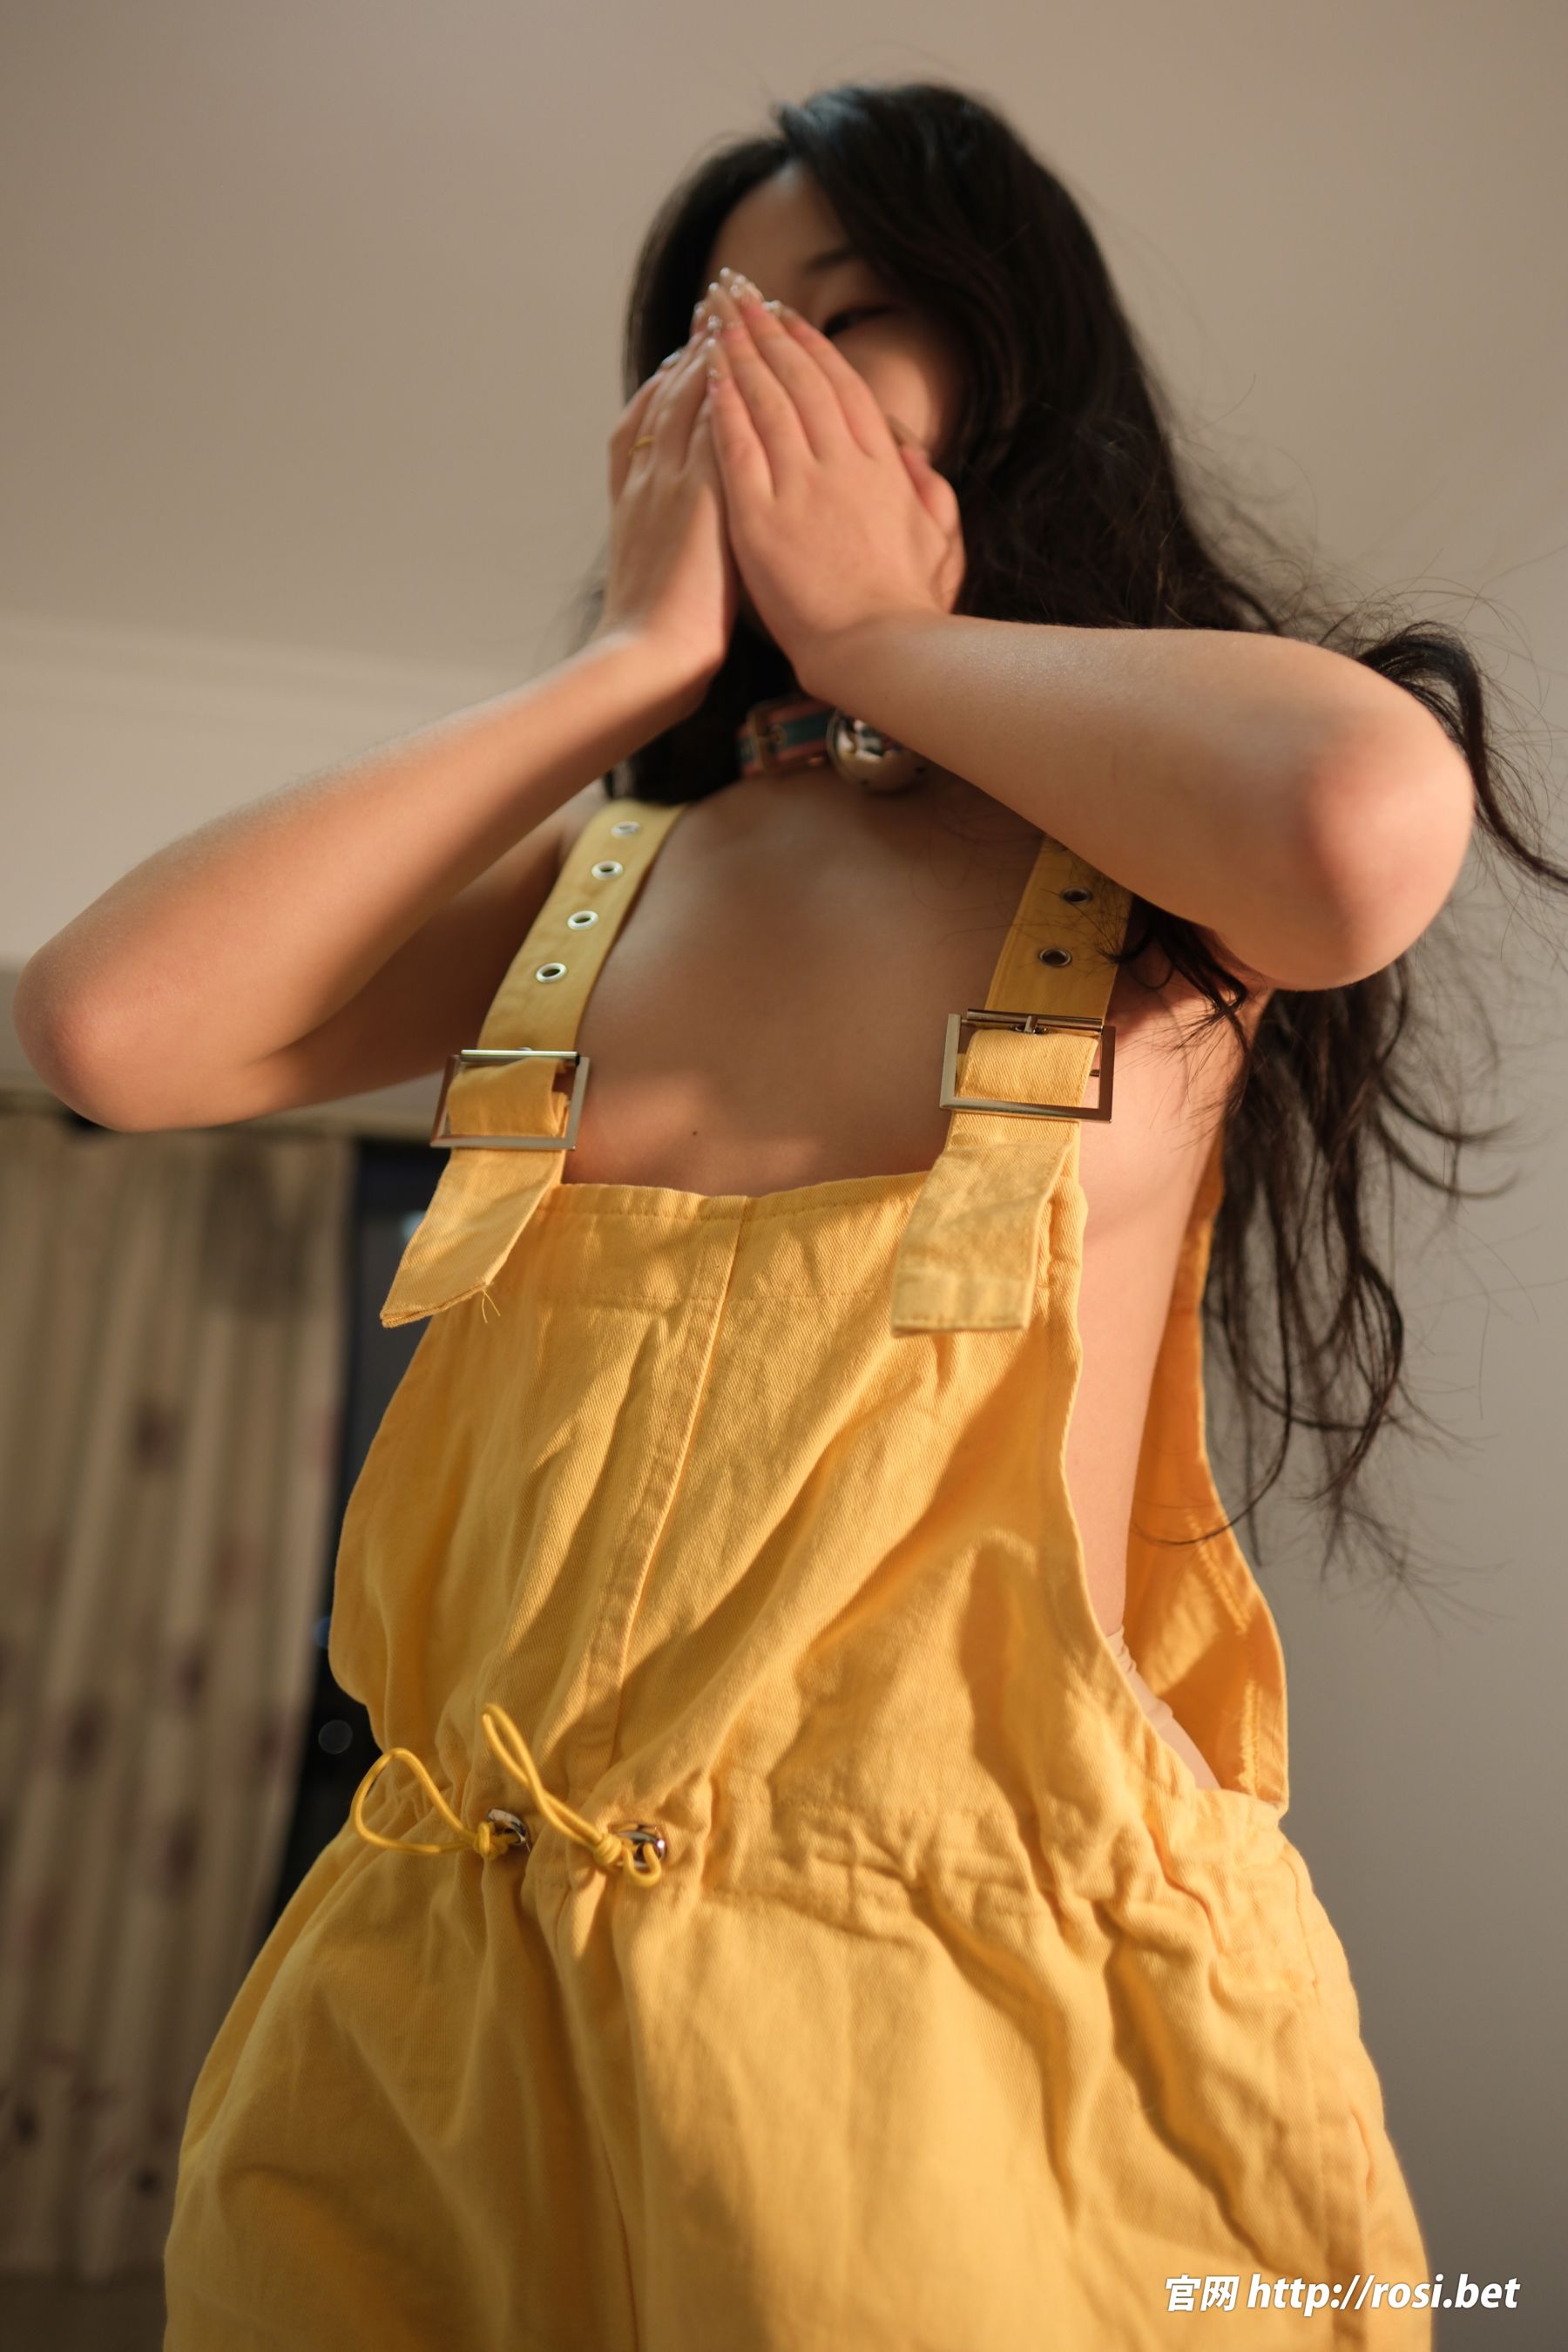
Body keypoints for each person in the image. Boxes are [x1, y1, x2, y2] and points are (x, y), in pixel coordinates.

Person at [17, 75, 1563, 2352]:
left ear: (1009, 357)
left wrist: (875, 640)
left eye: (842, 314)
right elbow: (106, 1027)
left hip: (973, 2022)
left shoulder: (1141, 835)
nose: (760, 372)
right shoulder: (607, 878)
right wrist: (626, 673)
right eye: (711, 335)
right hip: (442, 2023)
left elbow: (1355, 829)